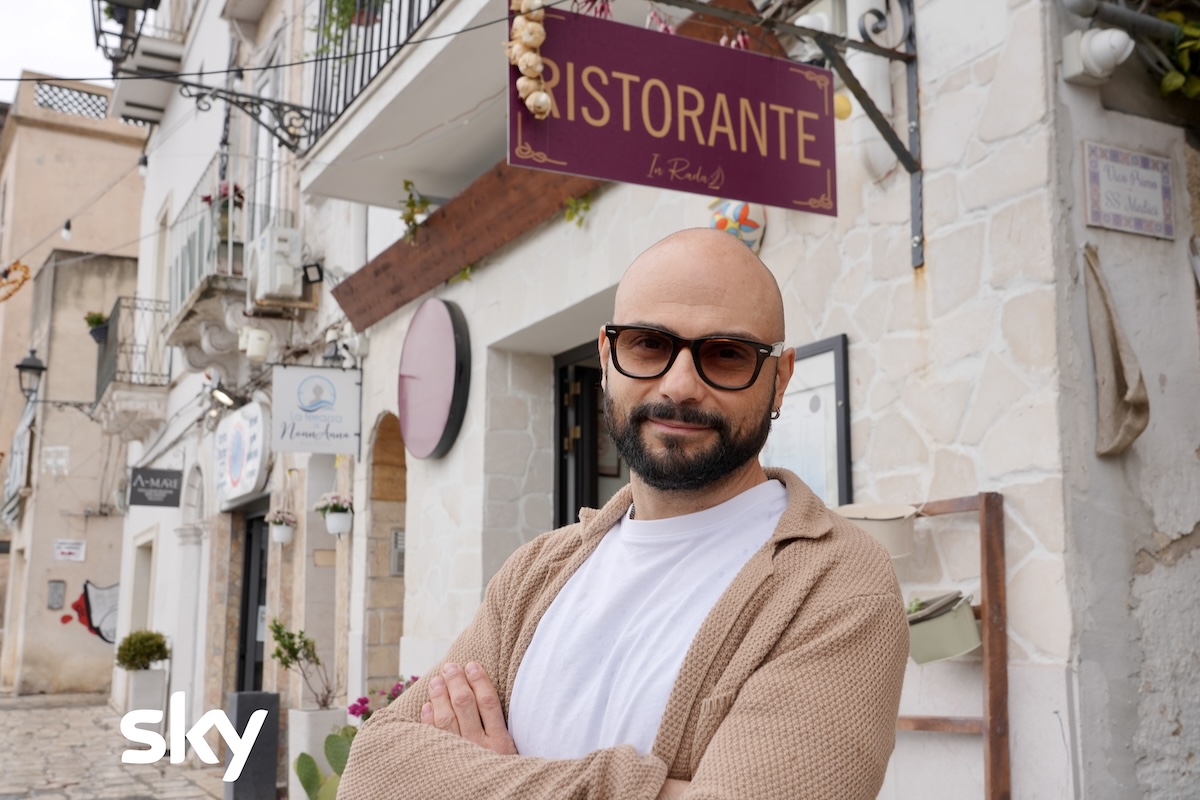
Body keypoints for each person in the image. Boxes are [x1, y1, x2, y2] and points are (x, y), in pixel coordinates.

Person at [339, 228, 908, 800]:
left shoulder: (838, 587)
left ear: (779, 379)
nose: (680, 386)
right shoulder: (534, 573)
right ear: (607, 358)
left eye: (727, 354)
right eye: (649, 345)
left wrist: (477, 781)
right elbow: (370, 773)